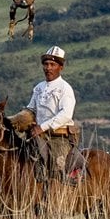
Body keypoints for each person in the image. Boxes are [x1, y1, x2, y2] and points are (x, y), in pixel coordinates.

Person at [23, 45, 87, 185]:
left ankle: (61, 193)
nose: (48, 68)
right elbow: (31, 109)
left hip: (59, 137)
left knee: (57, 167)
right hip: (38, 135)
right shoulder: (39, 88)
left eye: (52, 64)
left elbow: (65, 114)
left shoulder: (65, 88)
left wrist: (42, 127)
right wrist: (17, 120)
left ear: (60, 67)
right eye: (46, 64)